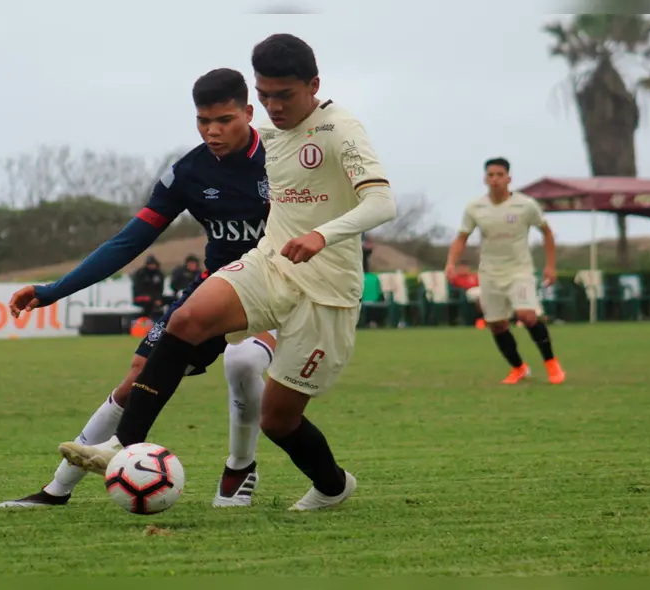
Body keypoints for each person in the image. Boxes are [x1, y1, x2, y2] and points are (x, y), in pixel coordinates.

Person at [54, 34, 397, 512]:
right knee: (186, 320)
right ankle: (124, 443)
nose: (274, 106)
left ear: (314, 85)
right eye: (266, 95)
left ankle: (333, 485)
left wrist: (323, 235)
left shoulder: (340, 130)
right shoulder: (267, 138)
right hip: (271, 263)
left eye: (285, 95)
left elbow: (382, 202)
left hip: (327, 288)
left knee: (277, 420)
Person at [0, 68, 275, 509]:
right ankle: (56, 491)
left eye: (224, 120)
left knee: (242, 364)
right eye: (203, 121)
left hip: (281, 289)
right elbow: (129, 241)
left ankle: (240, 467)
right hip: (217, 290)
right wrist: (54, 290)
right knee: (136, 378)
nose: (213, 131)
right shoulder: (189, 172)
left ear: (248, 112)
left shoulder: (283, 159)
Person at [445, 157, 566, 385]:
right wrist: (451, 263)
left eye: (500, 175)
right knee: (497, 324)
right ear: (485, 178)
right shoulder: (475, 208)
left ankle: (551, 363)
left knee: (527, 316)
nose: (495, 179)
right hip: (490, 273)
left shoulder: (525, 205)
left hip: (519, 270)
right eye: (491, 175)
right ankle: (519, 368)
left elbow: (547, 232)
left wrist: (550, 265)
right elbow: (461, 237)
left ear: (509, 178)